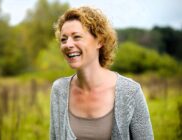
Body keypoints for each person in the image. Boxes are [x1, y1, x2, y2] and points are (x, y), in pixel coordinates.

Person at [50, 6, 153, 140]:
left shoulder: (130, 92)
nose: (68, 44)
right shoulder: (59, 90)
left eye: (76, 37)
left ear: (100, 41)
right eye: (64, 39)